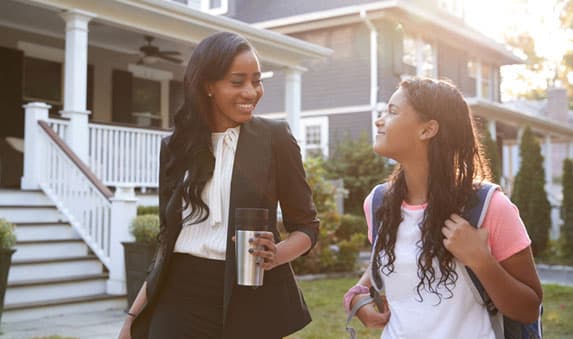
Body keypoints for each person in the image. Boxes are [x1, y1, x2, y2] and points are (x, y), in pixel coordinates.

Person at [118, 32, 319, 339]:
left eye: (257, 80)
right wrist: (133, 315)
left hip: (249, 298)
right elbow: (167, 238)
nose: (251, 92)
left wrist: (276, 254)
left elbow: (307, 226)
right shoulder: (176, 147)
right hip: (178, 298)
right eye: (237, 82)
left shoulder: (274, 138)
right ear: (208, 85)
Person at [343, 78, 542, 338]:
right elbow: (399, 265)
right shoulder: (378, 203)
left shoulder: (489, 207)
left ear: (427, 130)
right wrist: (357, 298)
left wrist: (481, 260)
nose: (379, 120)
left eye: (392, 112)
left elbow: (528, 308)